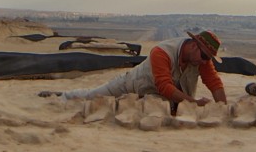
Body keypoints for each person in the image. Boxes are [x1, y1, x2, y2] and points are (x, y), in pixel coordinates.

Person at [37, 29, 228, 113]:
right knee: (94, 96)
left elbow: (214, 82)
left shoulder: (202, 59)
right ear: (194, 46)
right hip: (135, 82)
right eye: (204, 57)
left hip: (167, 94)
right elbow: (164, 86)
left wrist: (223, 107)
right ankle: (63, 95)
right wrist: (194, 102)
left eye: (208, 58)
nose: (205, 61)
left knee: (166, 108)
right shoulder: (162, 52)